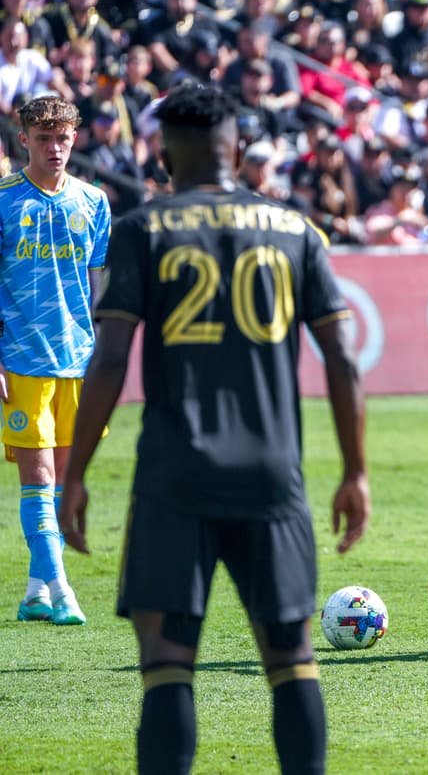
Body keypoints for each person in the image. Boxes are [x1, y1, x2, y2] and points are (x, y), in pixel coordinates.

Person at [57, 82, 370, 774]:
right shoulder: (297, 231)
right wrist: (355, 470)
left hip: (174, 477)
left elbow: (110, 358)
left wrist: (75, 472)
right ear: (236, 145)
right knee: (292, 661)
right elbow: (344, 357)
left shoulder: (142, 229)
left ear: (165, 150)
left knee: (167, 664)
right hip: (272, 478)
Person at [3, 95, 111, 626]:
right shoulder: (2, 200)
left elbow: (97, 280)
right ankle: (64, 590)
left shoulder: (93, 202)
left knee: (63, 479)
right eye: (43, 138)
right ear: (23, 139)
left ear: (75, 138)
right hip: (20, 358)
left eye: (62, 138)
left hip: (78, 358)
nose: (54, 148)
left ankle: (35, 593)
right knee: (37, 476)